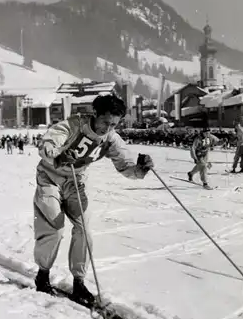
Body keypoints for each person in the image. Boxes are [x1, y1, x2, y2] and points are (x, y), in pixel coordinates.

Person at [33, 94, 154, 304]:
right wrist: (58, 155)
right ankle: (43, 274)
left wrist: (140, 169)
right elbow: (48, 143)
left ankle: (79, 282)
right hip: (50, 178)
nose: (108, 128)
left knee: (84, 230)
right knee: (55, 227)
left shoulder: (111, 138)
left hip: (75, 182)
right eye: (105, 122)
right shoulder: (74, 125)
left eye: (114, 124)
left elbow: (125, 165)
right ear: (95, 114)